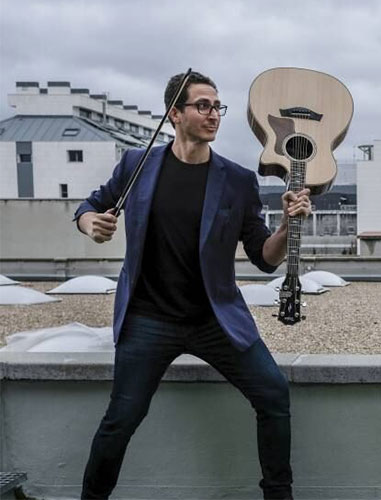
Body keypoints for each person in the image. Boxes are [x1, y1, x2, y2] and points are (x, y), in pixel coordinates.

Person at [75, 71, 309, 499]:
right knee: (121, 418)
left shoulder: (237, 180)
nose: (214, 114)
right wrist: (93, 225)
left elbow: (264, 256)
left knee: (273, 394)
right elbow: (91, 206)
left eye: (217, 106)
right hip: (148, 319)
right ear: (174, 114)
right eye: (203, 105)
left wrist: (287, 226)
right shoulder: (137, 165)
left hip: (214, 320)